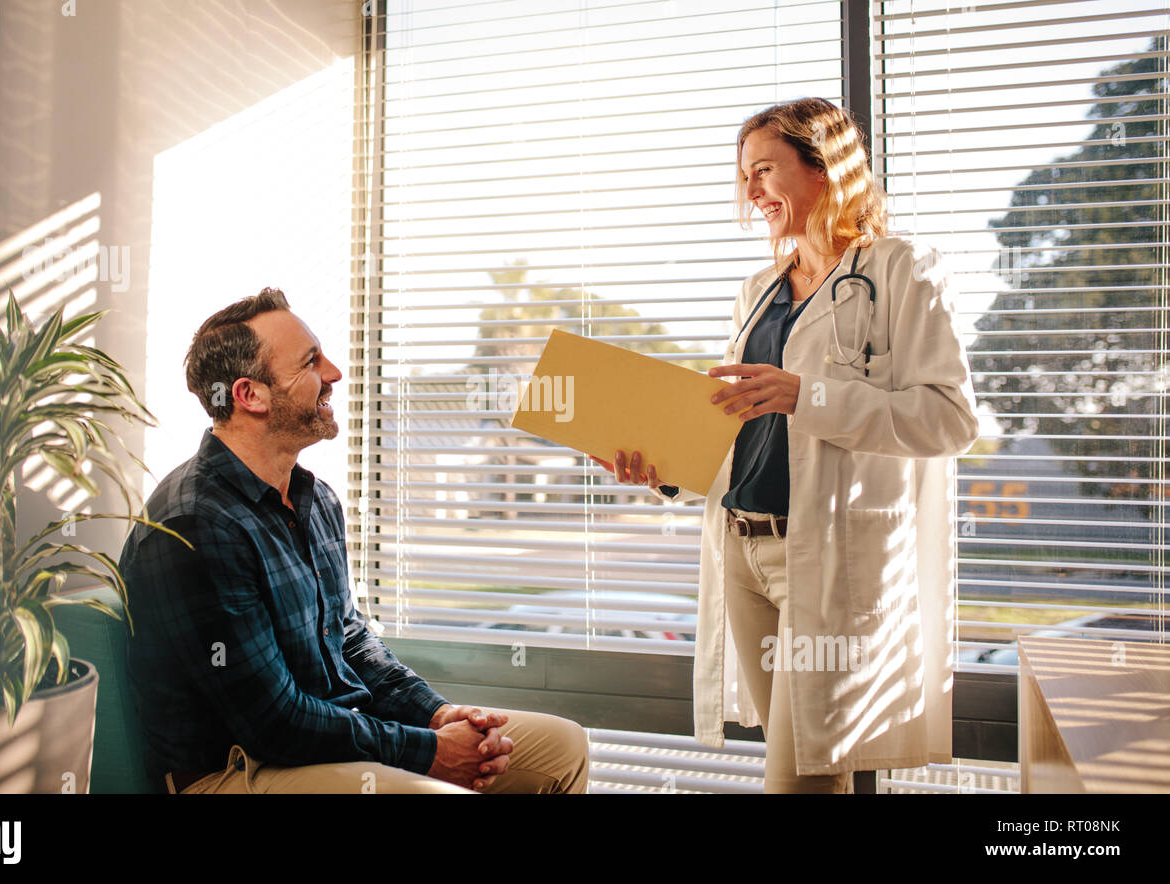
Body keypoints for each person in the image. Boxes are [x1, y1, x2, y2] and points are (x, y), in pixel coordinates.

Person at [593, 97, 978, 793]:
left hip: (830, 554)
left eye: (765, 170)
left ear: (824, 168)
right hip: (742, 548)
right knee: (809, 769)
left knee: (801, 780)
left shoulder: (902, 270)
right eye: (745, 176)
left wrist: (810, 395)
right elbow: (743, 423)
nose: (751, 193)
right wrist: (663, 469)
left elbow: (948, 419)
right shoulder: (758, 291)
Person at [120, 287, 588, 794]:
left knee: (563, 745)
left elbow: (350, 640)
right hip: (232, 771)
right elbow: (273, 722)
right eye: (310, 362)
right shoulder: (195, 524)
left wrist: (436, 715)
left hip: (325, 745)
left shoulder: (316, 500)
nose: (334, 373)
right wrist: (428, 754)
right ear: (249, 394)